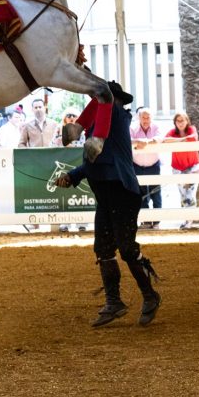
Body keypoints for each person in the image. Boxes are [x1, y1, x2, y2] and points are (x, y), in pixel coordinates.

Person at [55, 82, 161, 328]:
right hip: (109, 192)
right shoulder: (103, 124)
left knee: (125, 249)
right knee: (104, 250)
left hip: (121, 192)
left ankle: (150, 295)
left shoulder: (115, 115)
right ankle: (115, 302)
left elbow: (102, 155)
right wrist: (73, 176)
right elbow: (95, 161)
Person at [163, 112, 199, 229]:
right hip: (178, 168)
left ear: (187, 121)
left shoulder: (191, 129)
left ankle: (189, 221)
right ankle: (187, 220)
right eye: (178, 121)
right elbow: (165, 140)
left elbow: (193, 138)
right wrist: (182, 140)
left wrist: (178, 140)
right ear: (175, 122)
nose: (180, 123)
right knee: (183, 195)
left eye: (182, 120)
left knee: (190, 194)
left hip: (192, 165)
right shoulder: (172, 132)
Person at [130, 106, 162, 228]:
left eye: (148, 117)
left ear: (151, 118)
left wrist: (146, 142)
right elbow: (128, 139)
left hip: (153, 164)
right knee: (140, 193)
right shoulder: (132, 127)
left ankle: (157, 221)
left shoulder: (156, 126)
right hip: (137, 165)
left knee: (156, 192)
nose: (146, 120)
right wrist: (139, 141)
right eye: (143, 117)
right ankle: (146, 221)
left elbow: (159, 138)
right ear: (139, 118)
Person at [56, 107, 87, 233]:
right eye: (69, 115)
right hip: (63, 166)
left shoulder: (83, 134)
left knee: (81, 194)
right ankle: (65, 222)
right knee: (63, 193)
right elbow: (53, 146)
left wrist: (70, 145)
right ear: (64, 118)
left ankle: (82, 222)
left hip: (79, 168)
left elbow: (85, 147)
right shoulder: (58, 132)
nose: (72, 118)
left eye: (74, 115)